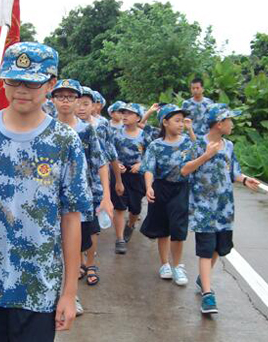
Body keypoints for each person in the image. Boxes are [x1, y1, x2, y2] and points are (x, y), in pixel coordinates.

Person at [0, 42, 92, 342]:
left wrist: (69, 293)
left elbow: (72, 219)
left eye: (32, 83)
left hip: (37, 283)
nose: (21, 91)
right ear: (2, 82)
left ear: (51, 84)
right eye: (13, 81)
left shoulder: (64, 141)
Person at [188, 103, 259, 314]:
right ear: (219, 124)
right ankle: (208, 295)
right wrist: (205, 156)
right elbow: (184, 169)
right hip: (203, 207)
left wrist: (245, 179)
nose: (232, 125)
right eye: (230, 121)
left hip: (225, 208)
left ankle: (204, 278)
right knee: (206, 248)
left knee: (220, 248)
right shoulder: (198, 145)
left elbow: (233, 171)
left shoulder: (229, 146)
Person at [51, 78, 113, 313]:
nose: (65, 101)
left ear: (78, 100)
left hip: (79, 200)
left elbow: (101, 163)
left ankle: (71, 295)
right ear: (53, 99)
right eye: (60, 96)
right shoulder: (46, 127)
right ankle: (54, 294)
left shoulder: (87, 130)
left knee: (75, 248)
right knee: (53, 247)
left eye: (70, 96)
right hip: (51, 201)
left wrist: (106, 197)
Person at [140, 104, 202, 286]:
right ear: (165, 123)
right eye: (177, 121)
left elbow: (200, 153)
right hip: (161, 187)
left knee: (178, 228)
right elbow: (149, 168)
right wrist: (149, 187)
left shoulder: (186, 142)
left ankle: (177, 265)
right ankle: (164, 264)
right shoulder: (156, 145)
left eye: (183, 121)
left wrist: (191, 131)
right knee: (162, 228)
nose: (181, 124)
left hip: (180, 188)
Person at [111, 103, 154, 253]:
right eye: (123, 113)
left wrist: (141, 164)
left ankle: (130, 225)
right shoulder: (115, 134)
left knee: (135, 208)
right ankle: (120, 238)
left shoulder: (145, 136)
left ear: (138, 118)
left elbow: (151, 155)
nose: (125, 116)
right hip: (120, 174)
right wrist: (117, 165)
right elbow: (111, 154)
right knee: (119, 206)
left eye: (129, 113)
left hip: (138, 175)